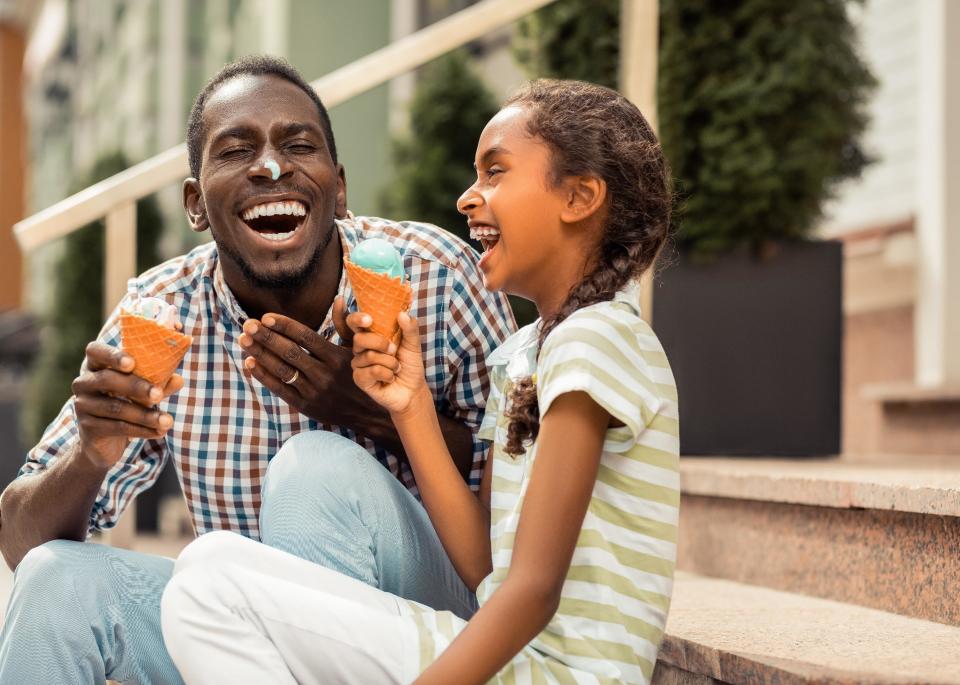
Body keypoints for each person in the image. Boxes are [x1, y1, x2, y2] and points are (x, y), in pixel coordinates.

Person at [0, 55, 515, 685]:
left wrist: (368, 414)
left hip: (429, 623)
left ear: (340, 187)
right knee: (57, 579)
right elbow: (20, 542)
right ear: (195, 204)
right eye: (236, 150)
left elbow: (523, 492)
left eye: (299, 145)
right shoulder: (164, 312)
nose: (272, 167)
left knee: (312, 469)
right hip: (235, 636)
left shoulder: (436, 274)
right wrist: (90, 455)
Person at [161, 79, 679, 685]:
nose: (468, 197)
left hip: (562, 674)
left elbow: (534, 592)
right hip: (518, 662)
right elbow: (489, 566)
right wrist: (407, 407)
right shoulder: (527, 355)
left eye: (495, 172)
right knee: (211, 565)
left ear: (580, 197)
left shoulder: (597, 340)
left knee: (207, 589)